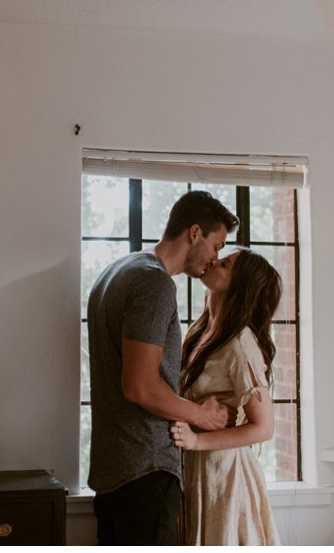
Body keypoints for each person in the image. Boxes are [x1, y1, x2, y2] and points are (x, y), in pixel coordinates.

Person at [87, 190, 240, 545]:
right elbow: (139, 386)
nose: (214, 258)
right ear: (195, 232)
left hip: (112, 473)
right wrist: (202, 416)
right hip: (146, 472)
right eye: (217, 245)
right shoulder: (154, 283)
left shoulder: (115, 271)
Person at [170, 248, 283, 546]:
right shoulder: (201, 331)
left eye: (225, 264)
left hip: (224, 477)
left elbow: (263, 427)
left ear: (240, 284)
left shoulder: (240, 342)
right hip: (195, 474)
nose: (213, 262)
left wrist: (196, 441)